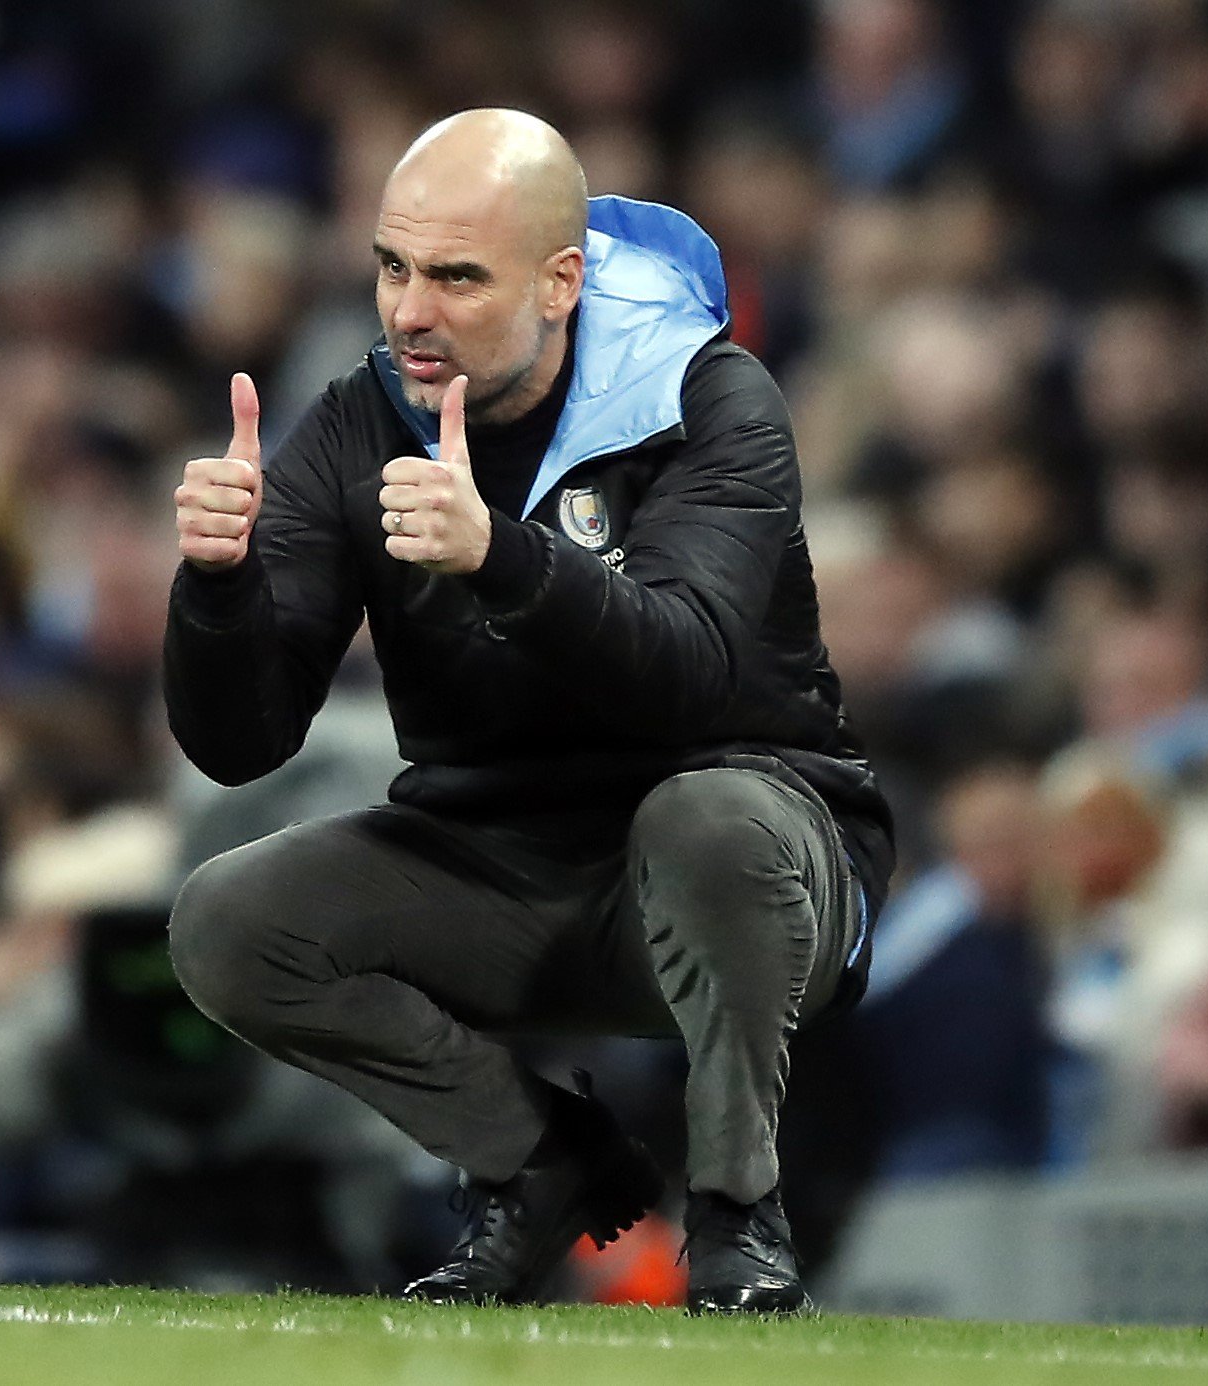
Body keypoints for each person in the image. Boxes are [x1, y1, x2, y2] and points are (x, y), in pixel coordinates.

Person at [164, 109, 894, 1314]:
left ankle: (734, 1217)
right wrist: (217, 586)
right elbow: (238, 746)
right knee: (228, 921)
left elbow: (689, 674)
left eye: (456, 276)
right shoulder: (360, 418)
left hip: (761, 877)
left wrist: (497, 557)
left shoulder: (705, 399)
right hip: (506, 871)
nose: (408, 310)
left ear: (560, 282)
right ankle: (541, 1165)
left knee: (706, 818)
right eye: (393, 267)